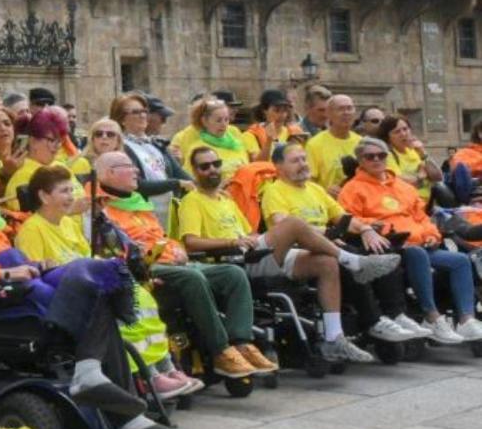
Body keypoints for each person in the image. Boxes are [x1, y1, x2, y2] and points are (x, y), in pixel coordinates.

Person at [0, 146, 192, 429]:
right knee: (94, 300)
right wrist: (2, 274)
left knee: (102, 272)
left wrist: (32, 265)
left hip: (18, 270)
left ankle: (90, 374)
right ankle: (120, 411)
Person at [178, 145, 389, 363]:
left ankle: (334, 337)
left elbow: (250, 232)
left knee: (326, 263)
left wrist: (363, 228)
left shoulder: (226, 200)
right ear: (194, 171)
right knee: (293, 223)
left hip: (253, 250)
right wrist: (234, 241)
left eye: (216, 164)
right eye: (205, 166)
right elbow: (191, 242)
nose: (212, 169)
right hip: (232, 259)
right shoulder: (191, 201)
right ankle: (354, 262)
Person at [14, 165, 204, 399]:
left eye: (71, 191)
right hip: (69, 296)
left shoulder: (67, 224)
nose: (71, 197)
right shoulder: (31, 229)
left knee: (142, 296)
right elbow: (38, 271)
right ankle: (148, 376)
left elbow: (87, 257)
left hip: (89, 283)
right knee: (121, 305)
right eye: (64, 191)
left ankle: (166, 368)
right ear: (43, 196)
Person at [94, 151, 267, 382]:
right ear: (109, 173)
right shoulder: (100, 208)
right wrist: (154, 255)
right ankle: (220, 351)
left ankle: (241, 342)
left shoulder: (138, 202)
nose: (137, 170)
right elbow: (115, 249)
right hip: (142, 268)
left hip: (171, 261)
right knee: (191, 278)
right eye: (129, 166)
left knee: (232, 274)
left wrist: (177, 249)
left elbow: (161, 236)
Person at [262, 141, 423, 345]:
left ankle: (395, 314)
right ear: (279, 167)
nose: (303, 164)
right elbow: (283, 225)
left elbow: (343, 218)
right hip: (300, 250)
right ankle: (372, 321)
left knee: (381, 246)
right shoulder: (274, 191)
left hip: (329, 242)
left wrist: (366, 229)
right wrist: (327, 233)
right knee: (346, 258)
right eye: (295, 161)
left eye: (304, 159)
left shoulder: (315, 189)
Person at [338, 137, 482, 344]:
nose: (377, 159)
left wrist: (431, 235)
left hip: (420, 242)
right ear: (360, 160)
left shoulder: (402, 186)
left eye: (381, 155)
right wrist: (387, 229)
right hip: (393, 245)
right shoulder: (352, 189)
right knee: (417, 253)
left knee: (460, 261)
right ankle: (431, 317)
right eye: (370, 157)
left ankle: (466, 320)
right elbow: (353, 220)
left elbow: (422, 217)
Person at [111, 93, 190, 228]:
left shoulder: (156, 144)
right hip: (143, 217)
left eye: (144, 111)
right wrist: (176, 183)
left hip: (169, 213)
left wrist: (207, 188)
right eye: (136, 112)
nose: (142, 115)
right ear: (122, 119)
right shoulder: (121, 148)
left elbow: (179, 172)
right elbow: (137, 185)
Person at [1, 108, 84, 213]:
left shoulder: (60, 166)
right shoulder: (22, 176)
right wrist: (70, 209)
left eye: (59, 141)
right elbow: (25, 219)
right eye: (51, 140)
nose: (57, 147)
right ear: (33, 141)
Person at [171, 97, 251, 181]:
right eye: (218, 120)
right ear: (205, 121)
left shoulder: (236, 143)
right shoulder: (197, 149)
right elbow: (191, 181)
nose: (224, 124)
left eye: (226, 119)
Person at [305, 94, 361, 195]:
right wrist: (325, 191)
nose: (346, 113)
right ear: (329, 114)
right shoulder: (314, 144)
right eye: (340, 109)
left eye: (349, 108)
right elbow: (308, 181)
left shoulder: (362, 143)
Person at [379, 114, 442, 201]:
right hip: (408, 206)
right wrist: (420, 176)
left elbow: (438, 177)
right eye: (397, 132)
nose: (403, 134)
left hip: (429, 205)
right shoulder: (387, 155)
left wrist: (423, 154)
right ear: (388, 137)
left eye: (405, 129)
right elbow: (398, 182)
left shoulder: (414, 151)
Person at [245, 89, 303, 160]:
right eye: (277, 110)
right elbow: (257, 162)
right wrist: (269, 141)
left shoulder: (293, 132)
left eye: (284, 110)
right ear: (265, 110)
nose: (282, 115)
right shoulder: (252, 134)